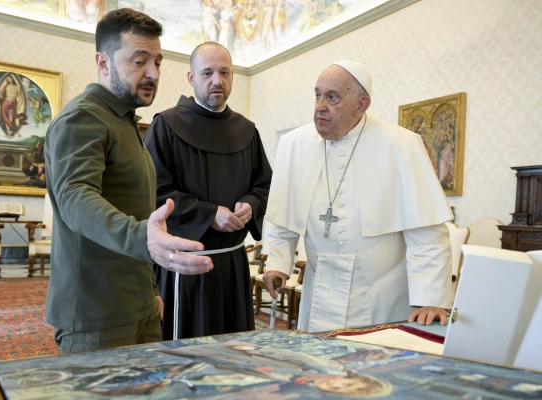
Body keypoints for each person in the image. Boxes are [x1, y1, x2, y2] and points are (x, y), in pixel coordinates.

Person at [44, 8, 213, 354]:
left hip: (140, 307)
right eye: (139, 61)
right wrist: (143, 240)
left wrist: (149, 291)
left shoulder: (126, 122)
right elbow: (75, 197)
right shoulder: (83, 118)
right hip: (96, 315)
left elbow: (139, 213)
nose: (153, 73)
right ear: (103, 64)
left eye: (158, 61)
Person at [263, 60, 454, 333]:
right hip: (319, 288)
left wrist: (430, 298)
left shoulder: (400, 144)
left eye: (332, 97)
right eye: (317, 95)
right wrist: (278, 264)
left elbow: (427, 232)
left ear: (361, 104)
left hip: (381, 292)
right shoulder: (294, 144)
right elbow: (283, 219)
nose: (320, 106)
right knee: (319, 369)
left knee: (371, 369)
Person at [143, 42, 272, 340]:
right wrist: (210, 214)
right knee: (187, 355)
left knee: (233, 351)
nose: (217, 81)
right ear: (191, 78)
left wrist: (252, 204)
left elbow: (264, 183)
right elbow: (153, 192)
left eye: (225, 72)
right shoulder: (166, 126)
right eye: (208, 73)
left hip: (232, 264)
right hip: (185, 265)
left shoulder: (247, 130)